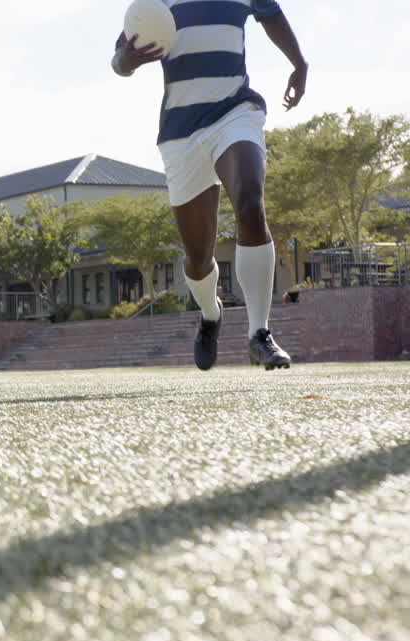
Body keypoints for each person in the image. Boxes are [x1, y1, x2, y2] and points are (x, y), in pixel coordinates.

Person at [112, 0, 308, 371]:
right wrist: (130, 59)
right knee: (198, 257)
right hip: (181, 133)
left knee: (250, 200)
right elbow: (119, 61)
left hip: (234, 112)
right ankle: (210, 313)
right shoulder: (157, 2)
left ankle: (259, 334)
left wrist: (299, 63)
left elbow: (271, 14)